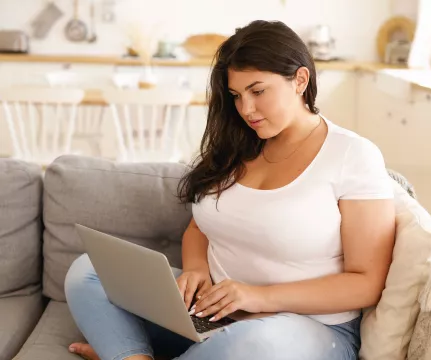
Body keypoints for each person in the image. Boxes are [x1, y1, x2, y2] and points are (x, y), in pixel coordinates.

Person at [65, 20, 396, 360]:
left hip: (303, 330)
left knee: (256, 343)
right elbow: (200, 226)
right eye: (236, 96)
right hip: (212, 317)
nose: (246, 110)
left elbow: (366, 282)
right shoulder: (235, 145)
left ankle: (124, 352)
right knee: (88, 271)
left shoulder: (353, 155)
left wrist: (259, 297)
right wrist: (195, 270)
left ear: (300, 80)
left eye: (258, 91)